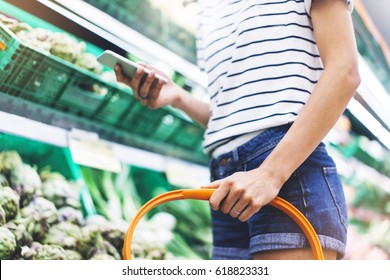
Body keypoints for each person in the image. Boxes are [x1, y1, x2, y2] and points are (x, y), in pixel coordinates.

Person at [115, 0, 360, 260]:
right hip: (227, 183)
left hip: (288, 173)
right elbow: (233, 116)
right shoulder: (207, 9)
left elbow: (344, 71)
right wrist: (178, 98)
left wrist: (271, 173)